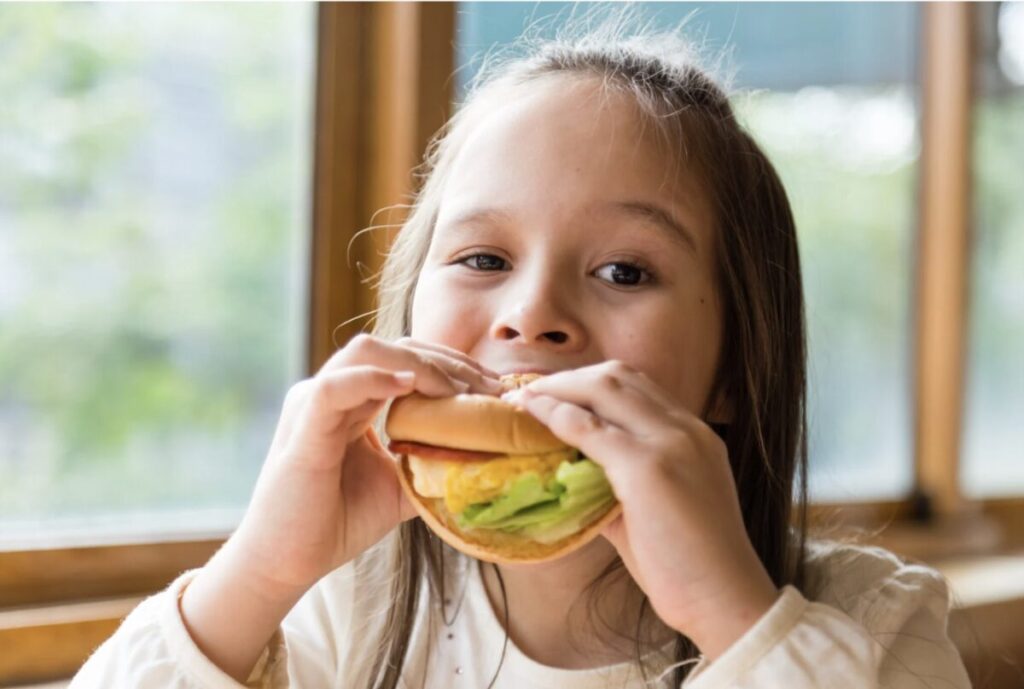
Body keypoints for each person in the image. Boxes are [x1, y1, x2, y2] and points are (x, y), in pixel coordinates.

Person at [69, 16, 972, 689]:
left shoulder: (873, 621)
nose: (531, 314)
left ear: (736, 371)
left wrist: (734, 618)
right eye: (483, 259)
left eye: (623, 270)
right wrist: (259, 568)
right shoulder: (338, 610)